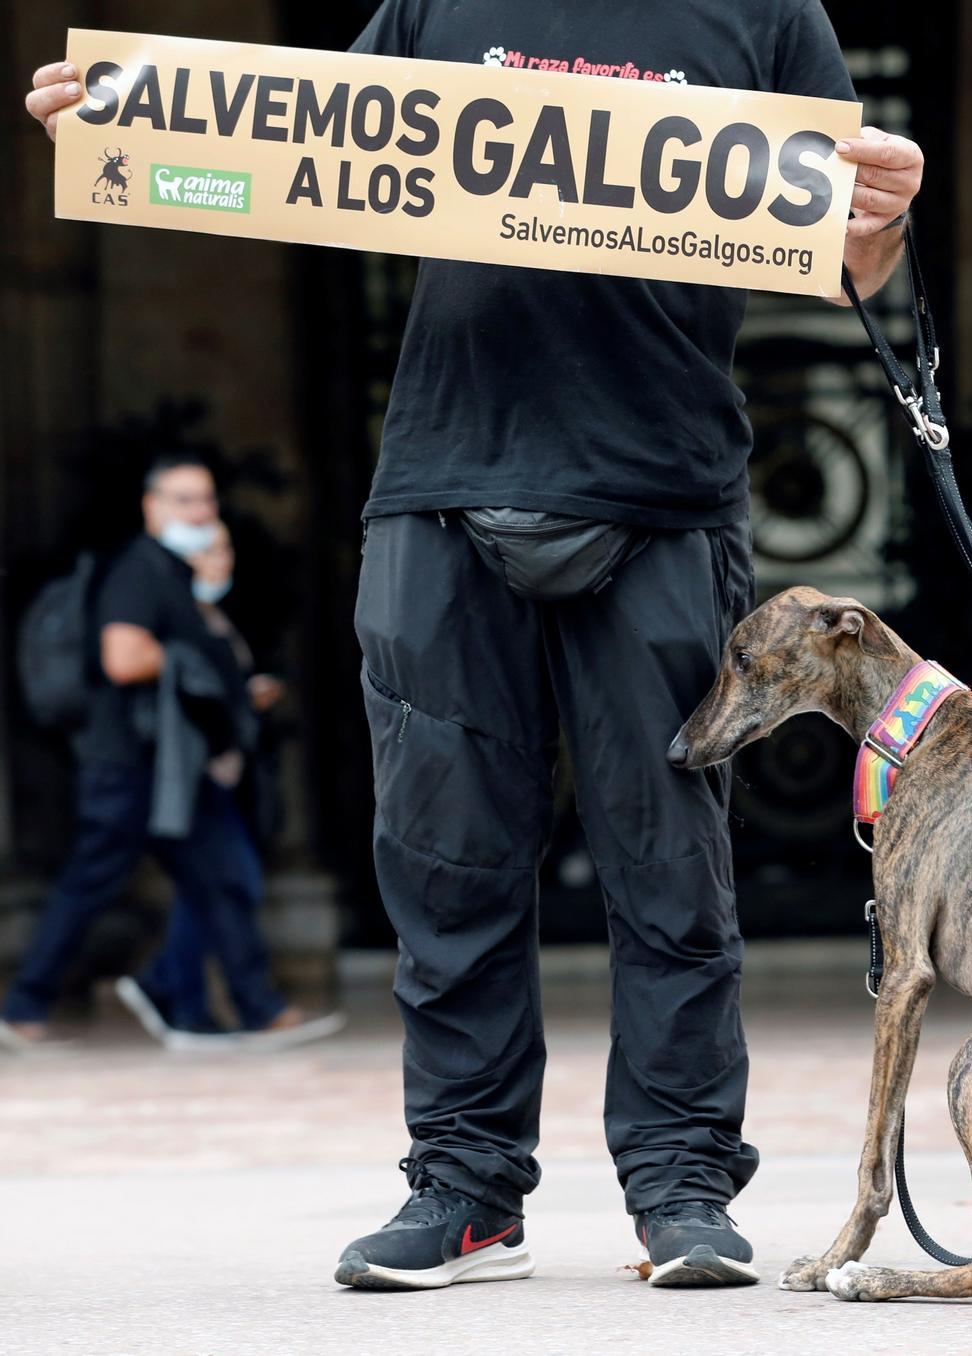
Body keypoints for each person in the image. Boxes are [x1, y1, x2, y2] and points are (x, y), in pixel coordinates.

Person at [23, 1, 923, 1290]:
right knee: (443, 863)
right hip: (445, 485)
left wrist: (881, 214)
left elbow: (843, 259)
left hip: (660, 495)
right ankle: (462, 1189)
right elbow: (299, 155)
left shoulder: (771, 11)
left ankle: (680, 1186)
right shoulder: (435, 1)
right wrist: (126, 115)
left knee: (669, 866)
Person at [0, 459, 341, 1052]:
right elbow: (123, 658)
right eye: (186, 501)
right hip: (131, 762)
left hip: (173, 766)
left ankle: (234, 1007)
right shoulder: (139, 570)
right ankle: (28, 1004)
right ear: (152, 506)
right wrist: (204, 669)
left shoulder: (173, 575)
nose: (201, 514)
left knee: (224, 873)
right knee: (94, 879)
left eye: (207, 501)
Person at [114, 523, 346, 1050]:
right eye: (208, 551)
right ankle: (244, 1005)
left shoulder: (213, 618)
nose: (220, 561)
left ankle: (182, 1003)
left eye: (225, 548)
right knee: (231, 880)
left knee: (210, 888)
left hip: (218, 774)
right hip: (188, 775)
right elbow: (189, 695)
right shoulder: (176, 618)